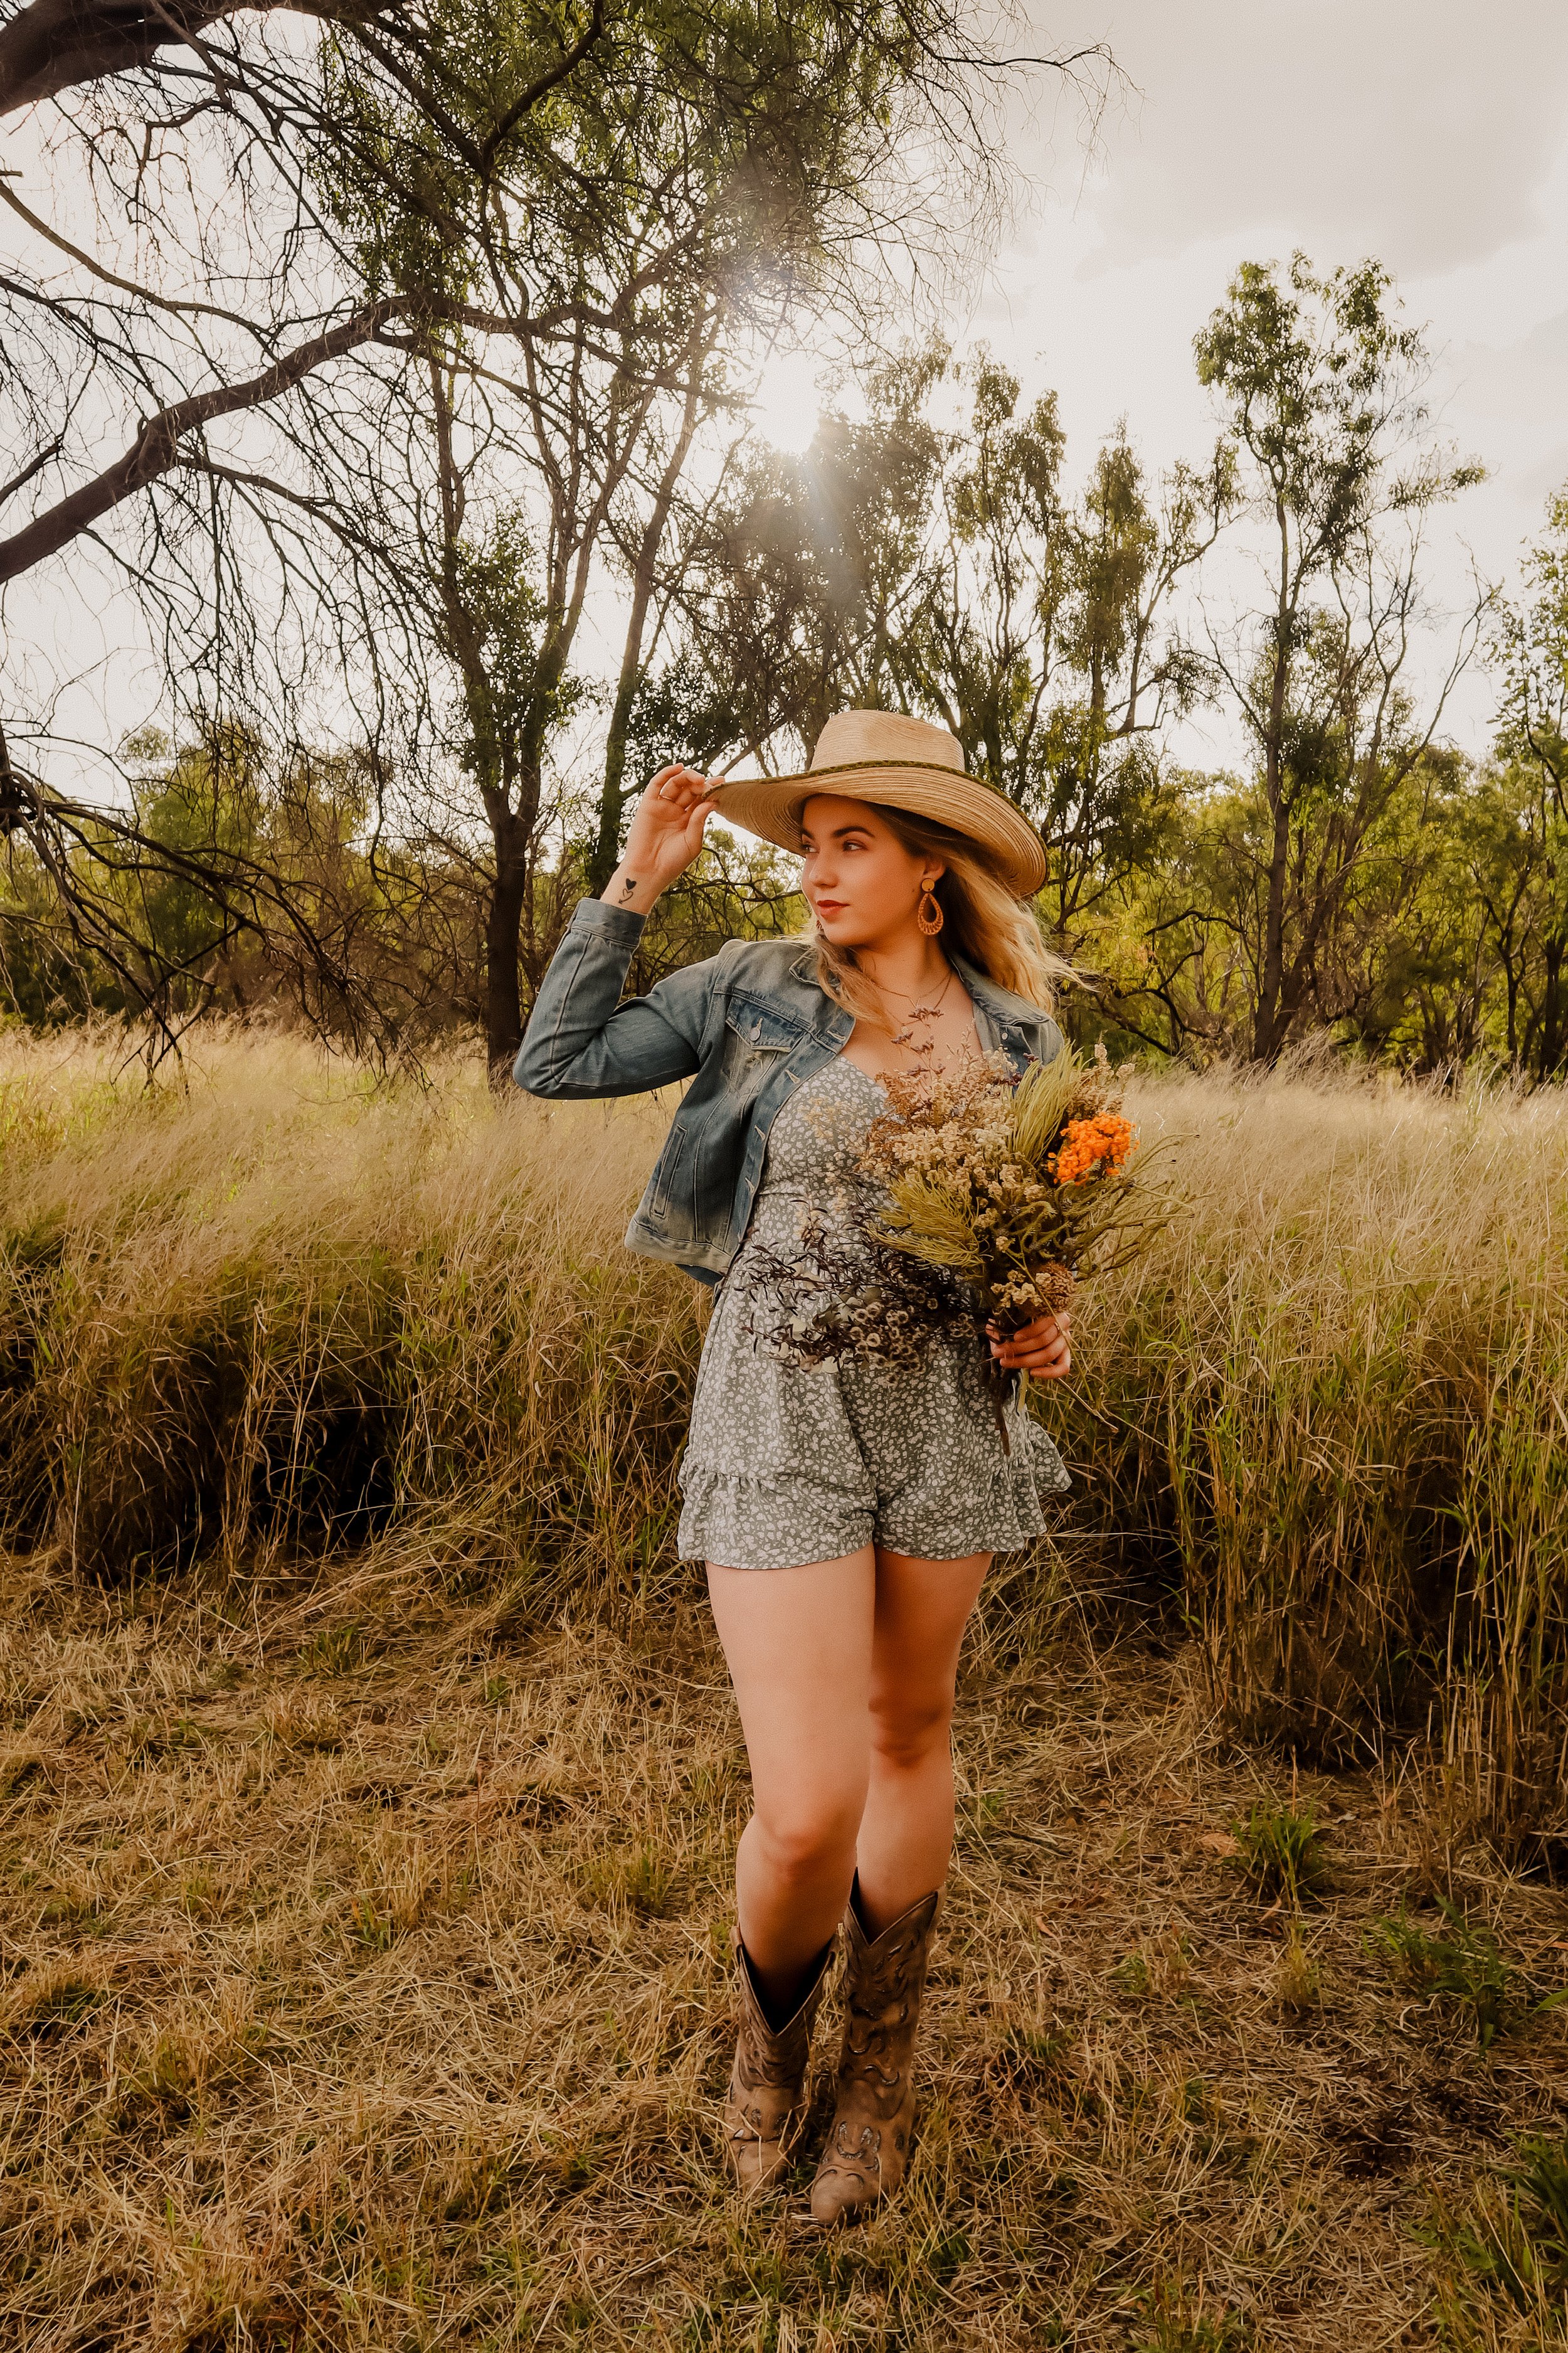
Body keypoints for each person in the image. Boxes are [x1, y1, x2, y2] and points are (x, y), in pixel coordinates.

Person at [515, 709, 1073, 2224]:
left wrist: (1041, 1324)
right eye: (809, 842)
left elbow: (1024, 1255)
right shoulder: (757, 988)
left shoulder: (1020, 1042)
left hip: (945, 1415)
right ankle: (765, 2049)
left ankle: (874, 2083)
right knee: (808, 1800)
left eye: (850, 844)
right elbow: (552, 1064)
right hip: (775, 1409)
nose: (815, 873)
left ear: (930, 872)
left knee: (913, 1729)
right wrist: (634, 880)